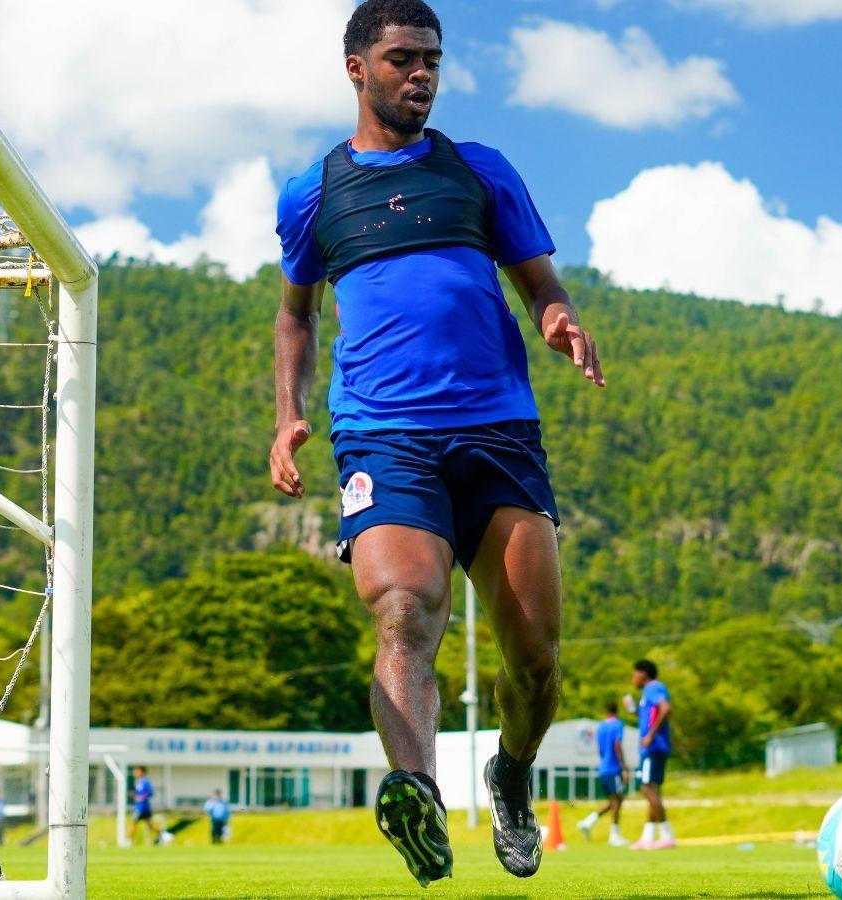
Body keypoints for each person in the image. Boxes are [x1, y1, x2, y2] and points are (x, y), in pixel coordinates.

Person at [270, 0, 603, 886]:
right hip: (383, 433)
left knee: (535, 661)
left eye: (432, 61)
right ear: (356, 68)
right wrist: (287, 412)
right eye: (402, 58)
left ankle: (511, 776)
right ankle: (414, 792)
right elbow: (296, 314)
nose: (421, 74)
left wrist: (559, 315)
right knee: (403, 608)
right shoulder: (313, 194)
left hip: (497, 431)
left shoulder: (479, 171)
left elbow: (540, 282)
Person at [631, 659, 675, 850]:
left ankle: (667, 835)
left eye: (635, 673)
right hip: (653, 747)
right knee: (652, 790)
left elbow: (666, 709)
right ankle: (647, 837)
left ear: (644, 674)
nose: (633, 678)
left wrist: (649, 735)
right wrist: (633, 710)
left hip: (652, 747)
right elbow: (648, 717)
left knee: (647, 788)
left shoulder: (653, 688)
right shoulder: (647, 693)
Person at [577, 701, 629, 846]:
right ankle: (614, 836)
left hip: (604, 767)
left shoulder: (600, 727)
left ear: (606, 710)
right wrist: (624, 767)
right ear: (616, 710)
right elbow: (617, 744)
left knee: (616, 800)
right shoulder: (618, 724)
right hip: (613, 768)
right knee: (618, 800)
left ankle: (588, 822)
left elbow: (600, 748)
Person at [128, 766, 162, 845]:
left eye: (137, 771)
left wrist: (141, 798)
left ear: (142, 772)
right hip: (141, 807)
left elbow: (150, 792)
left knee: (133, 822)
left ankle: (129, 841)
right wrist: (134, 795)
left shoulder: (145, 782)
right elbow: (140, 794)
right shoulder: (139, 782)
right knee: (149, 824)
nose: (135, 773)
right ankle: (161, 835)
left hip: (142, 807)